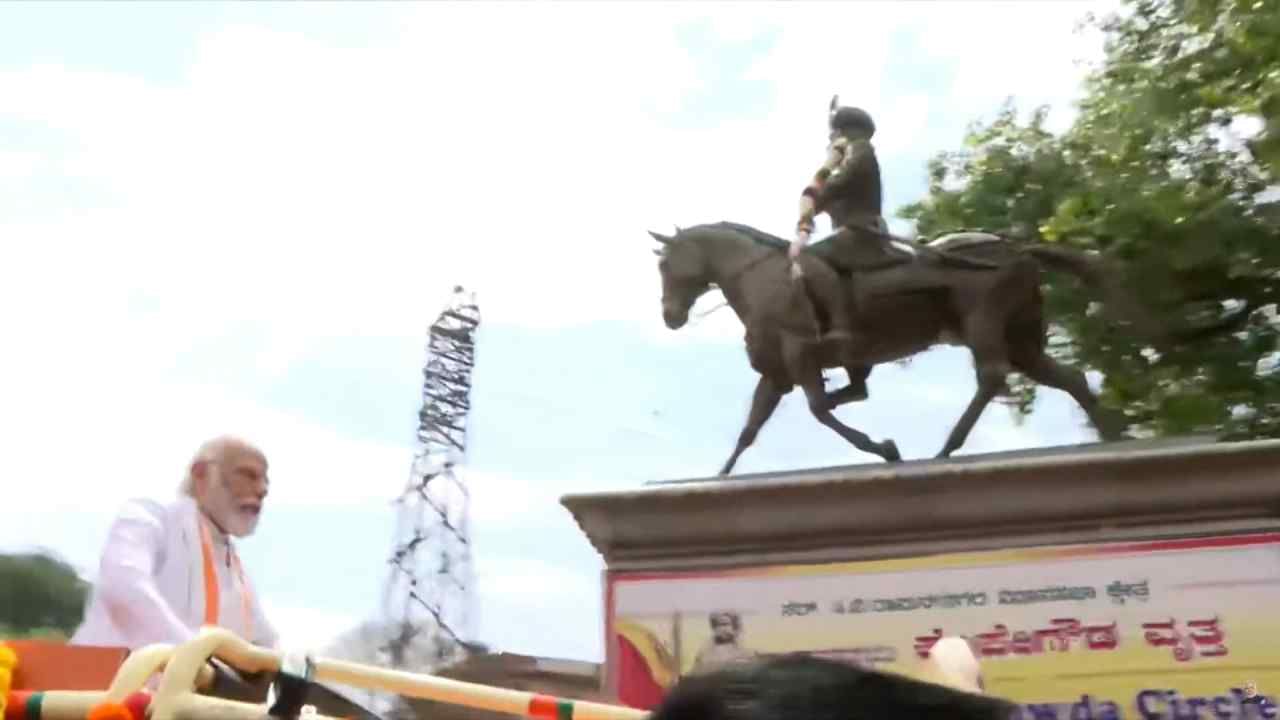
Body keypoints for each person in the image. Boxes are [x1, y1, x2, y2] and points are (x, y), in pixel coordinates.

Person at [71, 435, 279, 652]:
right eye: (248, 475)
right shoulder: (151, 515)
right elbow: (123, 584)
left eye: (265, 481)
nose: (262, 489)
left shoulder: (236, 569)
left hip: (182, 685)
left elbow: (263, 641)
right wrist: (190, 654)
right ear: (201, 474)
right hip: (100, 682)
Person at [789, 98, 914, 348]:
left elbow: (842, 182)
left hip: (862, 232)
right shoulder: (851, 154)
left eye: (834, 133)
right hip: (854, 233)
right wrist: (812, 204)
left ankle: (841, 325)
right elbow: (822, 198)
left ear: (843, 132)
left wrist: (819, 189)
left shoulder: (861, 149)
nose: (831, 140)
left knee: (807, 260)